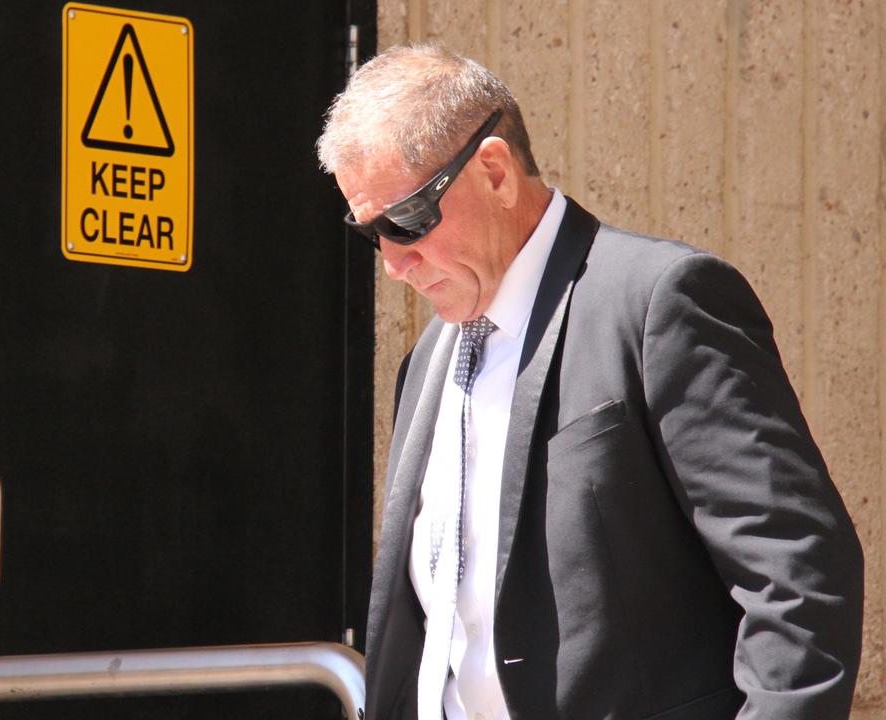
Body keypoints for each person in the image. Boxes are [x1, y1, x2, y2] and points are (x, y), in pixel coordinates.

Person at [317, 46, 863, 720]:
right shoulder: (427, 361)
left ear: (494, 170)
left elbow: (799, 577)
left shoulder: (659, 302)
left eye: (407, 221)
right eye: (371, 234)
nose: (396, 262)